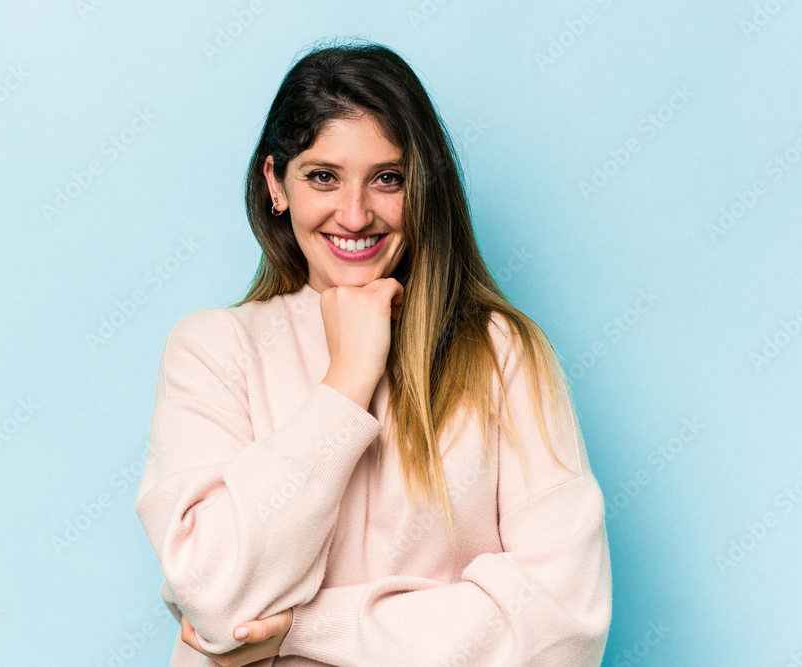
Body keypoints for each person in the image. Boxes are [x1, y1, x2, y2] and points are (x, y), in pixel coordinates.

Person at [134, 38, 612, 667]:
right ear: (276, 182)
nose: (355, 215)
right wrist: (347, 380)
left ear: (424, 189)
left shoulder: (502, 354)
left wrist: (302, 629)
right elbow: (215, 595)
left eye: (388, 179)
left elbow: (563, 625)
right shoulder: (213, 349)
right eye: (323, 177)